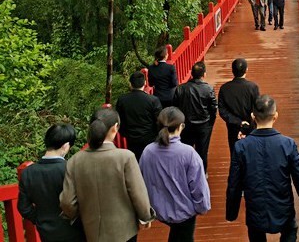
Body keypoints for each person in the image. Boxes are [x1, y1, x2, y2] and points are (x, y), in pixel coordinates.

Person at [60, 108, 156, 242]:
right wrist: (145, 216)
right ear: (115, 128)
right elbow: (137, 193)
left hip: (91, 230)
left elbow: (67, 201)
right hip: (124, 230)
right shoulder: (125, 157)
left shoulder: (75, 160)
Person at [226, 95, 299, 242]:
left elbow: (234, 183)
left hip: (255, 208)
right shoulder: (287, 144)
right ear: (276, 116)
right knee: (290, 231)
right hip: (283, 207)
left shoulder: (241, 146)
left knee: (256, 234)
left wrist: (231, 212)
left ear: (253, 116)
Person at [139, 107, 211, 242]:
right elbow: (198, 186)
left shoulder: (148, 151)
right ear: (181, 127)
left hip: (158, 208)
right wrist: (202, 207)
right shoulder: (188, 153)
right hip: (183, 211)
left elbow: (141, 180)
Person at [18, 124, 85, 242]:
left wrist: (39, 220)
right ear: (65, 146)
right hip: (74, 230)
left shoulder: (28, 172)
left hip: (46, 231)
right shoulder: (70, 168)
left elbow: (24, 207)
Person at [173, 61, 217, 172]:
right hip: (203, 124)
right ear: (204, 74)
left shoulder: (181, 88)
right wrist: (210, 122)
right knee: (202, 151)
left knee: (185, 150)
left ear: (192, 74)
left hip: (186, 125)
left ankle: (185, 172)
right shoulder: (208, 89)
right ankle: (202, 173)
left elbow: (175, 106)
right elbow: (213, 108)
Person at [116, 71, 163, 160]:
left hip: (131, 138)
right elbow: (159, 121)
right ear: (145, 83)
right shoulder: (153, 100)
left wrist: (125, 133)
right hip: (150, 138)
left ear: (130, 84)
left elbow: (119, 120)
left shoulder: (122, 100)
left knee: (135, 161)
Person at [218, 58, 260, 155]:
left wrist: (238, 122)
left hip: (233, 127)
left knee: (235, 155)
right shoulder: (253, 87)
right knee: (251, 155)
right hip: (250, 127)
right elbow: (257, 108)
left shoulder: (224, 88)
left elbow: (222, 111)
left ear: (232, 71)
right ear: (246, 70)